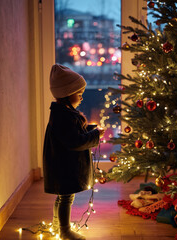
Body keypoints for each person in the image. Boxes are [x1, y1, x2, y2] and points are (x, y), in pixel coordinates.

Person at [43, 64, 105, 240]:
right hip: (64, 165)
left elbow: (76, 131)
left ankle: (57, 225)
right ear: (67, 94)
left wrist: (93, 130)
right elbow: (75, 141)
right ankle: (64, 230)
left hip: (61, 163)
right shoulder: (63, 116)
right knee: (65, 198)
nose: (82, 98)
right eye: (79, 94)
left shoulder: (64, 112)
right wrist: (94, 135)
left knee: (62, 196)